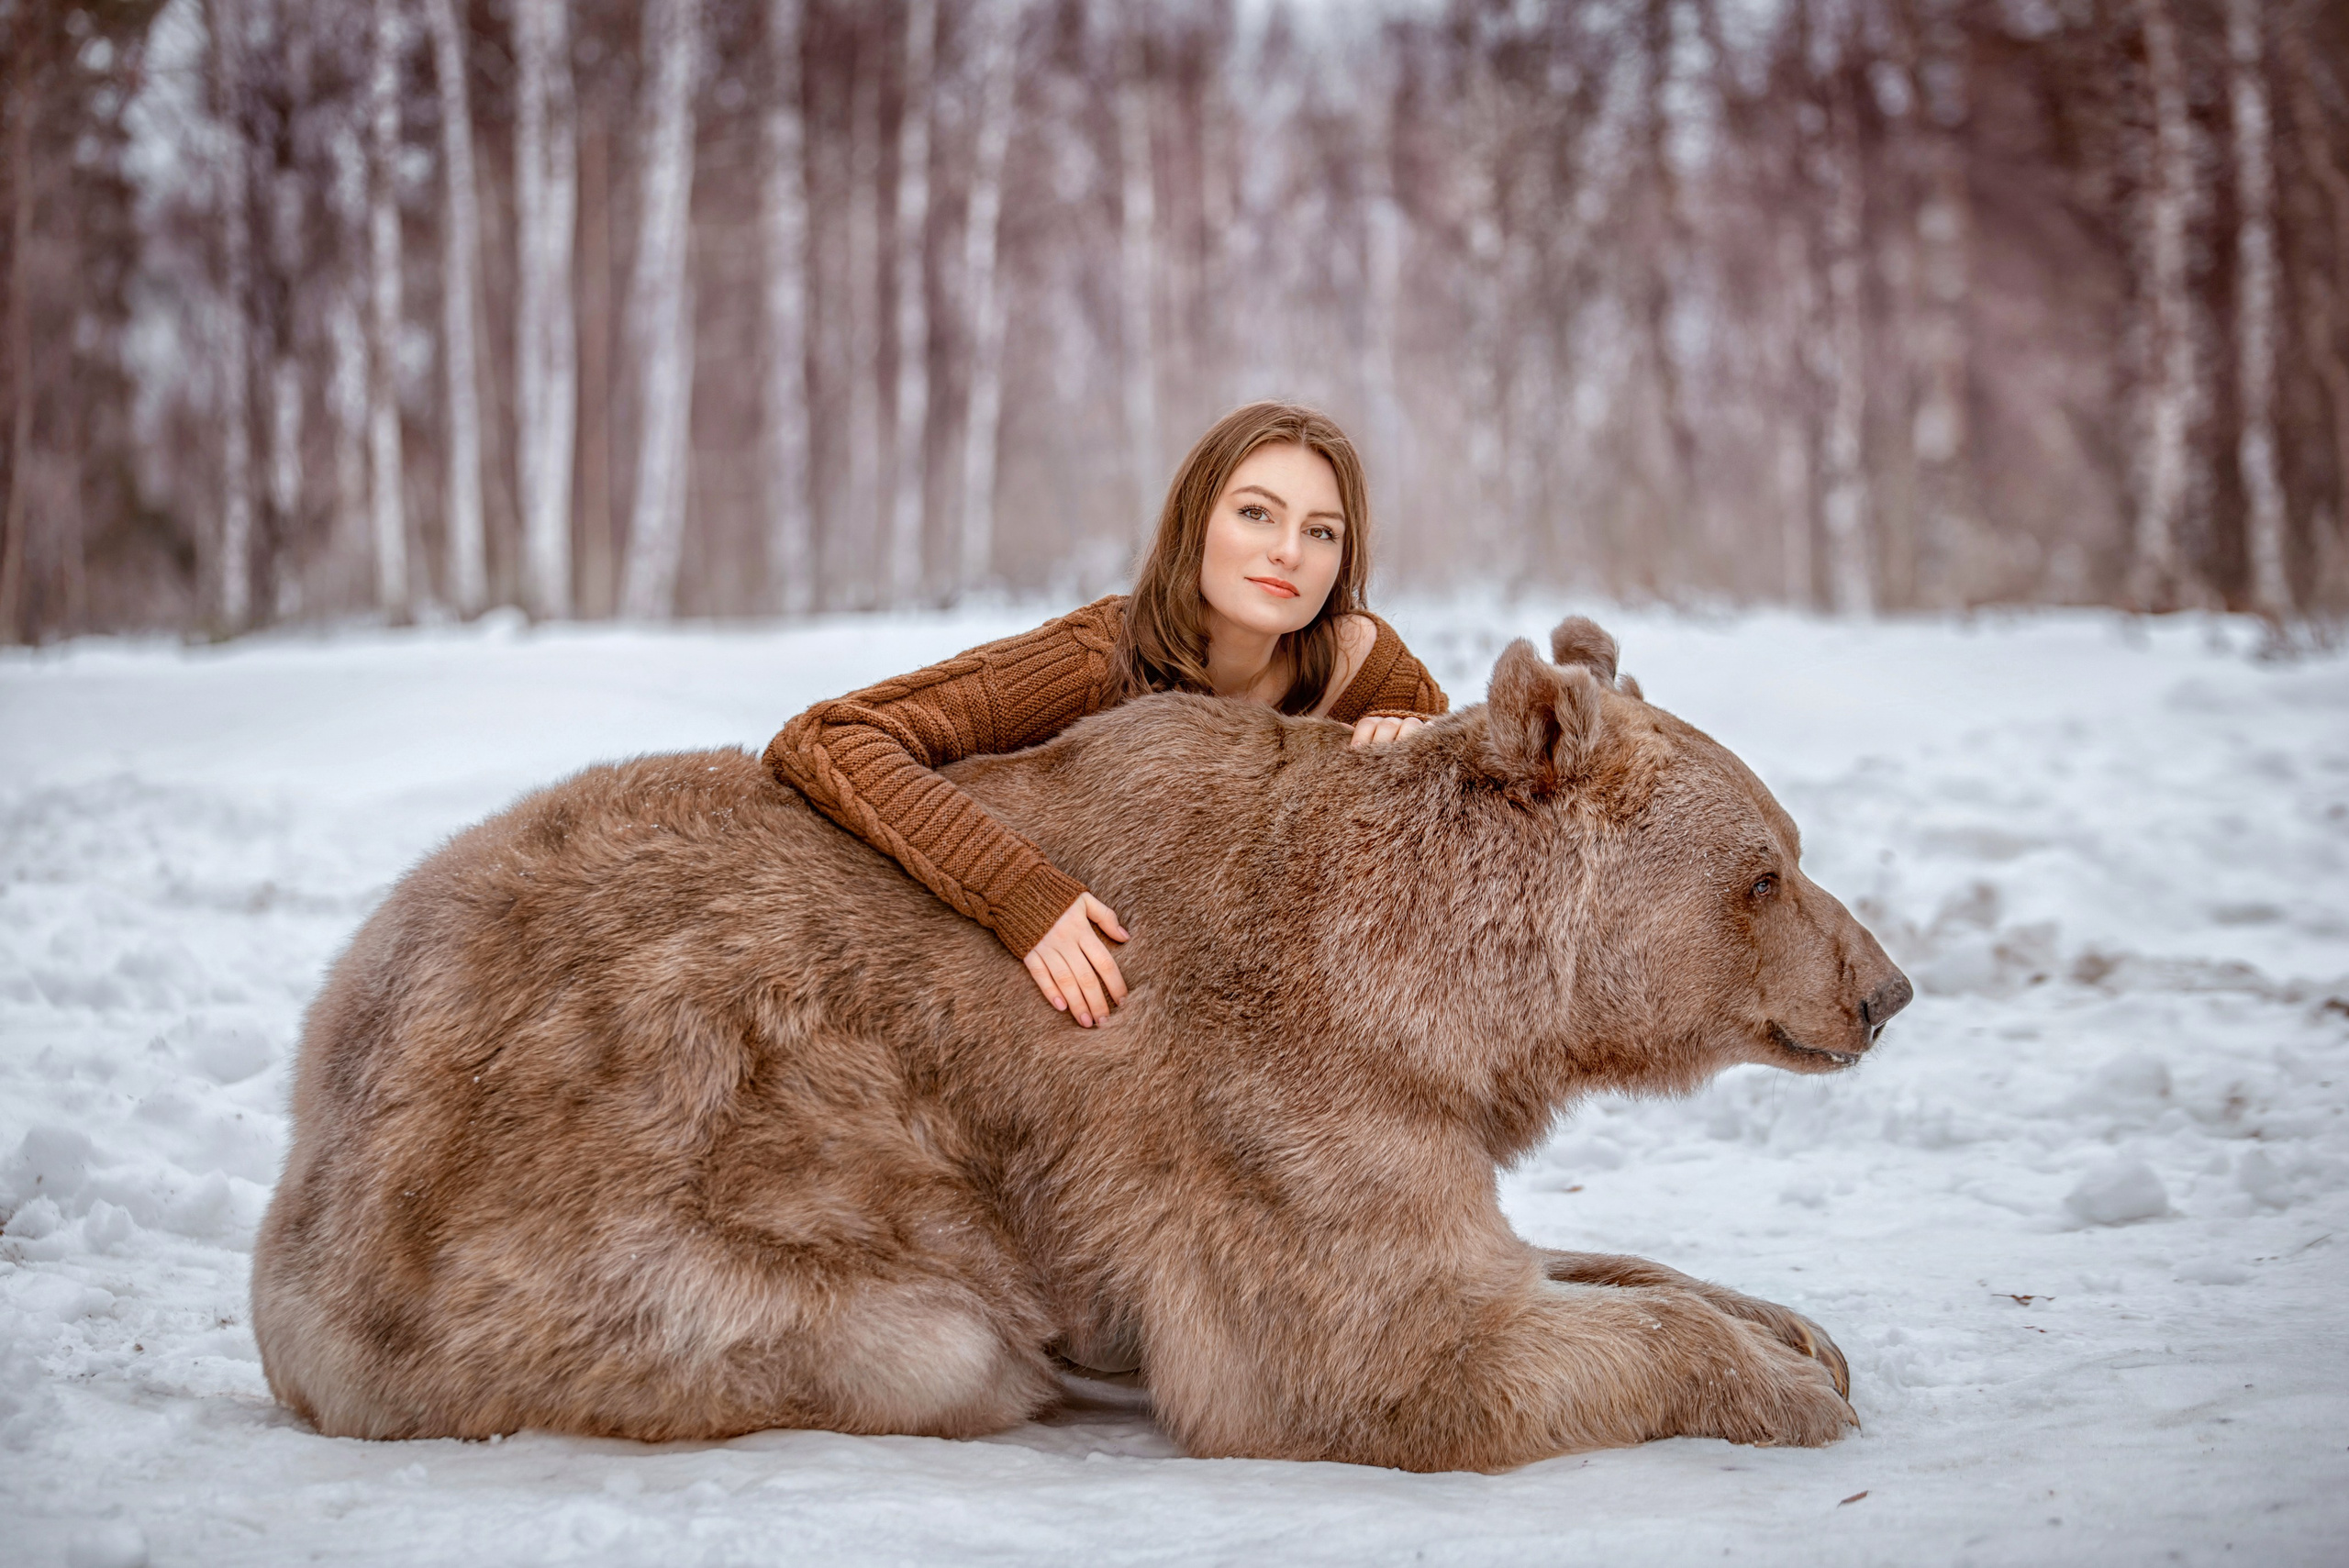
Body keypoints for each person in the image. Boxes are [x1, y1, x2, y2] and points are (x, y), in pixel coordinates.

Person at [764, 401, 1449, 1028]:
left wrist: (1417, 743)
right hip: (1002, 1005)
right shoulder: (1096, 656)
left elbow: (1462, 801)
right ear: (1195, 521)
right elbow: (832, 737)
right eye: (1256, 513)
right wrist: (1021, 894)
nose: (1289, 551)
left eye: (1321, 531)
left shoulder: (1365, 663)